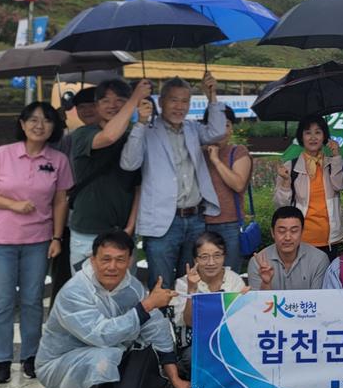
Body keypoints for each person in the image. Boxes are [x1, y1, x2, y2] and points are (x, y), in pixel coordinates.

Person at [0, 101, 72, 383]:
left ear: (54, 127)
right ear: (22, 123)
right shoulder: (2, 154)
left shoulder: (58, 160)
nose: (39, 125)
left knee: (32, 301)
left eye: (47, 120)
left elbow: (60, 201)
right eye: (33, 119)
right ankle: (2, 359)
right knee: (2, 301)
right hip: (0, 242)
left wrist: (56, 237)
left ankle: (31, 356)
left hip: (38, 241)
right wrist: (12, 205)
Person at [36, 231, 188, 388]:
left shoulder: (132, 287)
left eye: (120, 260)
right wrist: (147, 305)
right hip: (59, 364)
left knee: (141, 350)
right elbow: (101, 336)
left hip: (110, 355)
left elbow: (157, 330)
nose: (112, 267)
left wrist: (175, 379)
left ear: (130, 261)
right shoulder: (75, 291)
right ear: (93, 260)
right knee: (103, 359)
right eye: (106, 259)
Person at [120, 73, 225, 289]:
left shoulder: (193, 128)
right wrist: (140, 123)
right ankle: (162, 314)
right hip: (162, 223)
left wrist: (212, 96)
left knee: (192, 283)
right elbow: (129, 163)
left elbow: (218, 132)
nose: (179, 106)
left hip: (195, 219)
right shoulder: (148, 130)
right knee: (161, 285)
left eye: (185, 101)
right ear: (161, 102)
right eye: (173, 100)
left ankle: (187, 314)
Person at [68, 78, 149, 272]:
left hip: (122, 233)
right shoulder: (83, 134)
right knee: (85, 289)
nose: (113, 105)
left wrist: (130, 227)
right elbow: (109, 137)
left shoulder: (135, 136)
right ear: (97, 106)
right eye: (105, 101)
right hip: (87, 232)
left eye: (120, 100)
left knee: (123, 289)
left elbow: (138, 187)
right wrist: (134, 99)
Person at [170, 231, 247, 379]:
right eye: (204, 257)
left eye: (217, 255)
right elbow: (189, 322)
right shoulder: (183, 283)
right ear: (195, 259)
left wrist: (244, 302)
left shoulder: (234, 280)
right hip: (196, 344)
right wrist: (191, 290)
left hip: (228, 341)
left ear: (224, 256)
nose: (211, 263)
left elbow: (242, 322)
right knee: (195, 357)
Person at [273, 114, 343, 259]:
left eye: (318, 132)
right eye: (308, 133)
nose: (313, 137)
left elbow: (341, 185)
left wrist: (336, 156)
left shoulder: (332, 163)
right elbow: (280, 206)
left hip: (330, 240)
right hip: (301, 240)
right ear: (301, 137)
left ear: (324, 136)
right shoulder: (290, 167)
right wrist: (286, 181)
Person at [51, 87, 100, 301]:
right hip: (73, 218)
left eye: (92, 105)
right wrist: (57, 124)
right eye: (82, 107)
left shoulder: (117, 135)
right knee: (66, 276)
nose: (87, 111)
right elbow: (51, 152)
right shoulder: (71, 139)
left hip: (108, 218)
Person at [202, 105, 252, 272]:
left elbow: (238, 184)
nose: (222, 130)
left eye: (227, 125)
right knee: (203, 276)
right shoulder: (198, 153)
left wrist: (216, 160)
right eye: (216, 124)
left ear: (231, 129)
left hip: (230, 225)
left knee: (230, 276)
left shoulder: (238, 152)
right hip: (200, 224)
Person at [248, 206, 329, 290]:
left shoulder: (319, 259)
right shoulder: (257, 263)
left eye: (294, 231)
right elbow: (258, 298)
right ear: (272, 232)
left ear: (302, 232)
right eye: (282, 231)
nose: (287, 237)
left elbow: (319, 297)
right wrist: (266, 283)